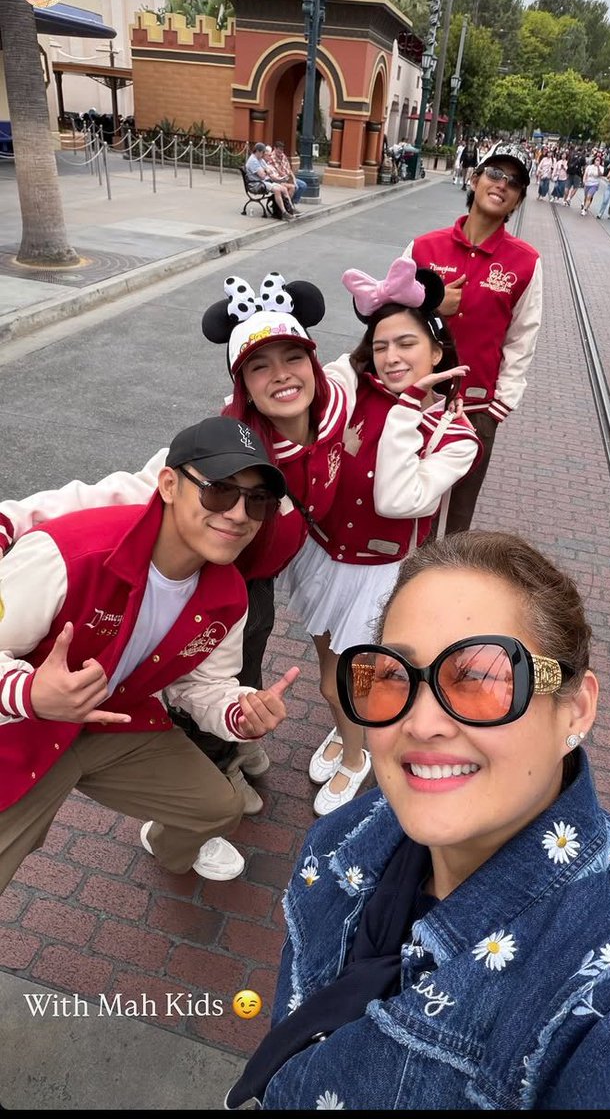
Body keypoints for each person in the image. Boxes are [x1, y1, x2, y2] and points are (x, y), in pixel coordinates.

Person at [224, 529, 610, 1112]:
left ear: (575, 709)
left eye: (481, 677)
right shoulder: (346, 837)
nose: (422, 722)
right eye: (392, 677)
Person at [0, 277, 335, 811]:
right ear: (242, 383)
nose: (281, 376)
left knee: (236, 681)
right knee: (189, 678)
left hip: (245, 591)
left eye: (292, 357)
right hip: (192, 582)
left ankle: (232, 747)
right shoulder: (215, 449)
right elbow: (108, 498)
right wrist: (12, 519)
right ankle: (216, 767)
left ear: (314, 366)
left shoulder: (329, 427)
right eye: (258, 366)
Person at [0, 416, 299, 893]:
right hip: (22, 731)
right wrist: (30, 691)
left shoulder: (229, 595)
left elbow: (202, 687)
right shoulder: (68, 554)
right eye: (220, 491)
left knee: (219, 807)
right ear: (167, 485)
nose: (240, 514)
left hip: (114, 724)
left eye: (257, 501)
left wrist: (237, 714)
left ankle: (166, 845)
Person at [279, 256, 480, 816]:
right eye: (383, 344)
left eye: (408, 344)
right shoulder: (355, 385)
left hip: (377, 578)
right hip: (324, 556)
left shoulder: (455, 434)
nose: (393, 358)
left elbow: (397, 500)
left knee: (357, 683)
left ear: (437, 350)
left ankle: (355, 752)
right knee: (329, 676)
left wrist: (408, 408)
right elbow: (312, 381)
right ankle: (349, 735)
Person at [404, 142, 543, 535]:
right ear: (475, 177)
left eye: (514, 181)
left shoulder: (526, 262)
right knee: (398, 500)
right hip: (415, 399)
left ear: (517, 200)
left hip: (475, 409)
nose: (503, 184)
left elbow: (522, 338)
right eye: (495, 173)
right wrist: (431, 304)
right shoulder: (423, 247)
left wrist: (500, 405)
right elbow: (388, 318)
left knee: (455, 518)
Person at [244, 143, 296, 221]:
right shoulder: (253, 161)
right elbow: (262, 175)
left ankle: (290, 209)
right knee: (277, 190)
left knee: (284, 189)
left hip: (264, 181)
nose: (263, 155)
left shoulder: (260, 159)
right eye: (262, 152)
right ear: (258, 151)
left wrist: (266, 171)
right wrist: (266, 171)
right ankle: (284, 212)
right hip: (256, 184)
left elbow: (268, 170)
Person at [264, 140, 307, 210]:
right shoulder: (272, 157)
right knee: (294, 187)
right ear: (275, 148)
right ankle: (288, 205)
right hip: (281, 179)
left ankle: (292, 202)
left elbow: (289, 170)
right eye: (279, 150)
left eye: (282, 150)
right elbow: (279, 172)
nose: (281, 152)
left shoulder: (283, 156)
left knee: (303, 185)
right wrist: (287, 177)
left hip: (287, 177)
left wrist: (293, 179)